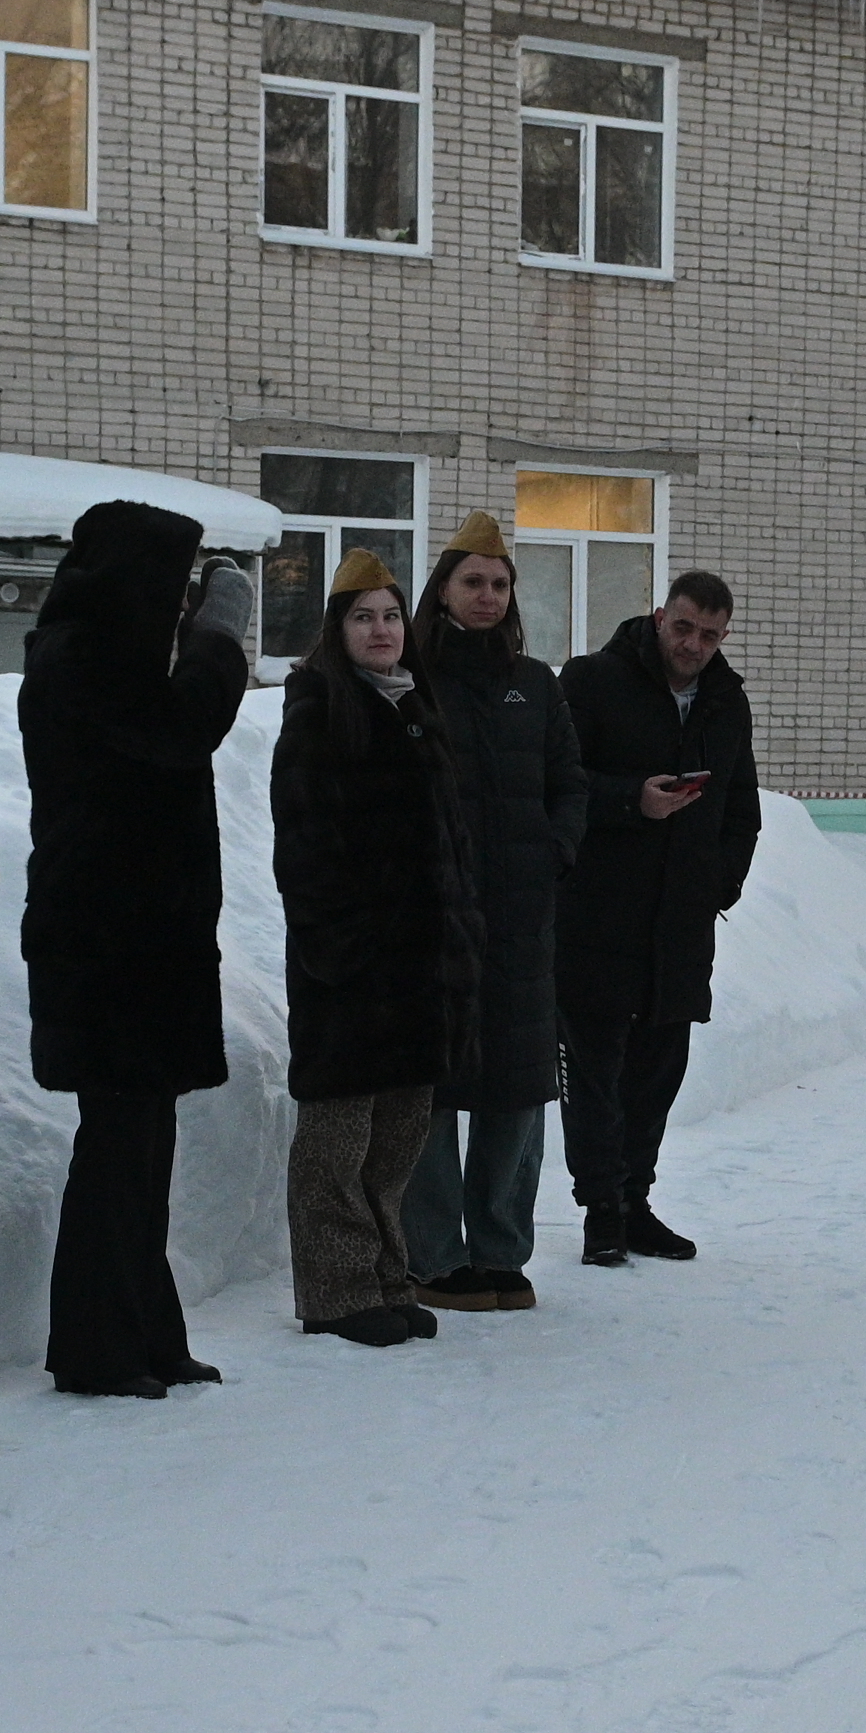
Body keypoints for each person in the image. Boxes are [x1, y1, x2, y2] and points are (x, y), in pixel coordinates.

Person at [18, 500, 255, 1398]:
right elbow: (182, 725)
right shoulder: (83, 656)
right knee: (119, 1152)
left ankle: (144, 1334)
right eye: (178, 583)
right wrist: (222, 636)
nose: (184, 602)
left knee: (141, 1150)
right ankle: (96, 1347)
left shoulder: (97, 652)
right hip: (107, 952)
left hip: (138, 949)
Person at [269, 548, 479, 1349]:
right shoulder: (321, 710)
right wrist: (340, 951)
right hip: (352, 974)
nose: (381, 629)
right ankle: (334, 1292)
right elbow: (307, 851)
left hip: (419, 972)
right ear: (338, 629)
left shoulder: (415, 708)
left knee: (396, 1145)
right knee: (336, 1144)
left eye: (391, 616)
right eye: (364, 618)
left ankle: (386, 1278)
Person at [403, 519, 585, 1310]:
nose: (486, 596)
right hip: (435, 920)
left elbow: (569, 784)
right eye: (472, 581)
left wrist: (553, 851)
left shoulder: (536, 684)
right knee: (435, 1090)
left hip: (519, 920)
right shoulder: (411, 680)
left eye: (499, 584)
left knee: (516, 1086)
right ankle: (437, 1258)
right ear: (442, 589)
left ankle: (502, 1252)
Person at [557, 570, 760, 1266]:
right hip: (597, 917)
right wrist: (628, 801)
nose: (693, 644)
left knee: (656, 1072)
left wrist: (717, 887)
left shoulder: (726, 703)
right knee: (595, 1071)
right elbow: (559, 785)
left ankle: (637, 1201)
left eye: (709, 634)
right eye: (683, 627)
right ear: (657, 616)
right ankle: (601, 1211)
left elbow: (741, 809)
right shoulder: (590, 682)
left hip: (679, 923)